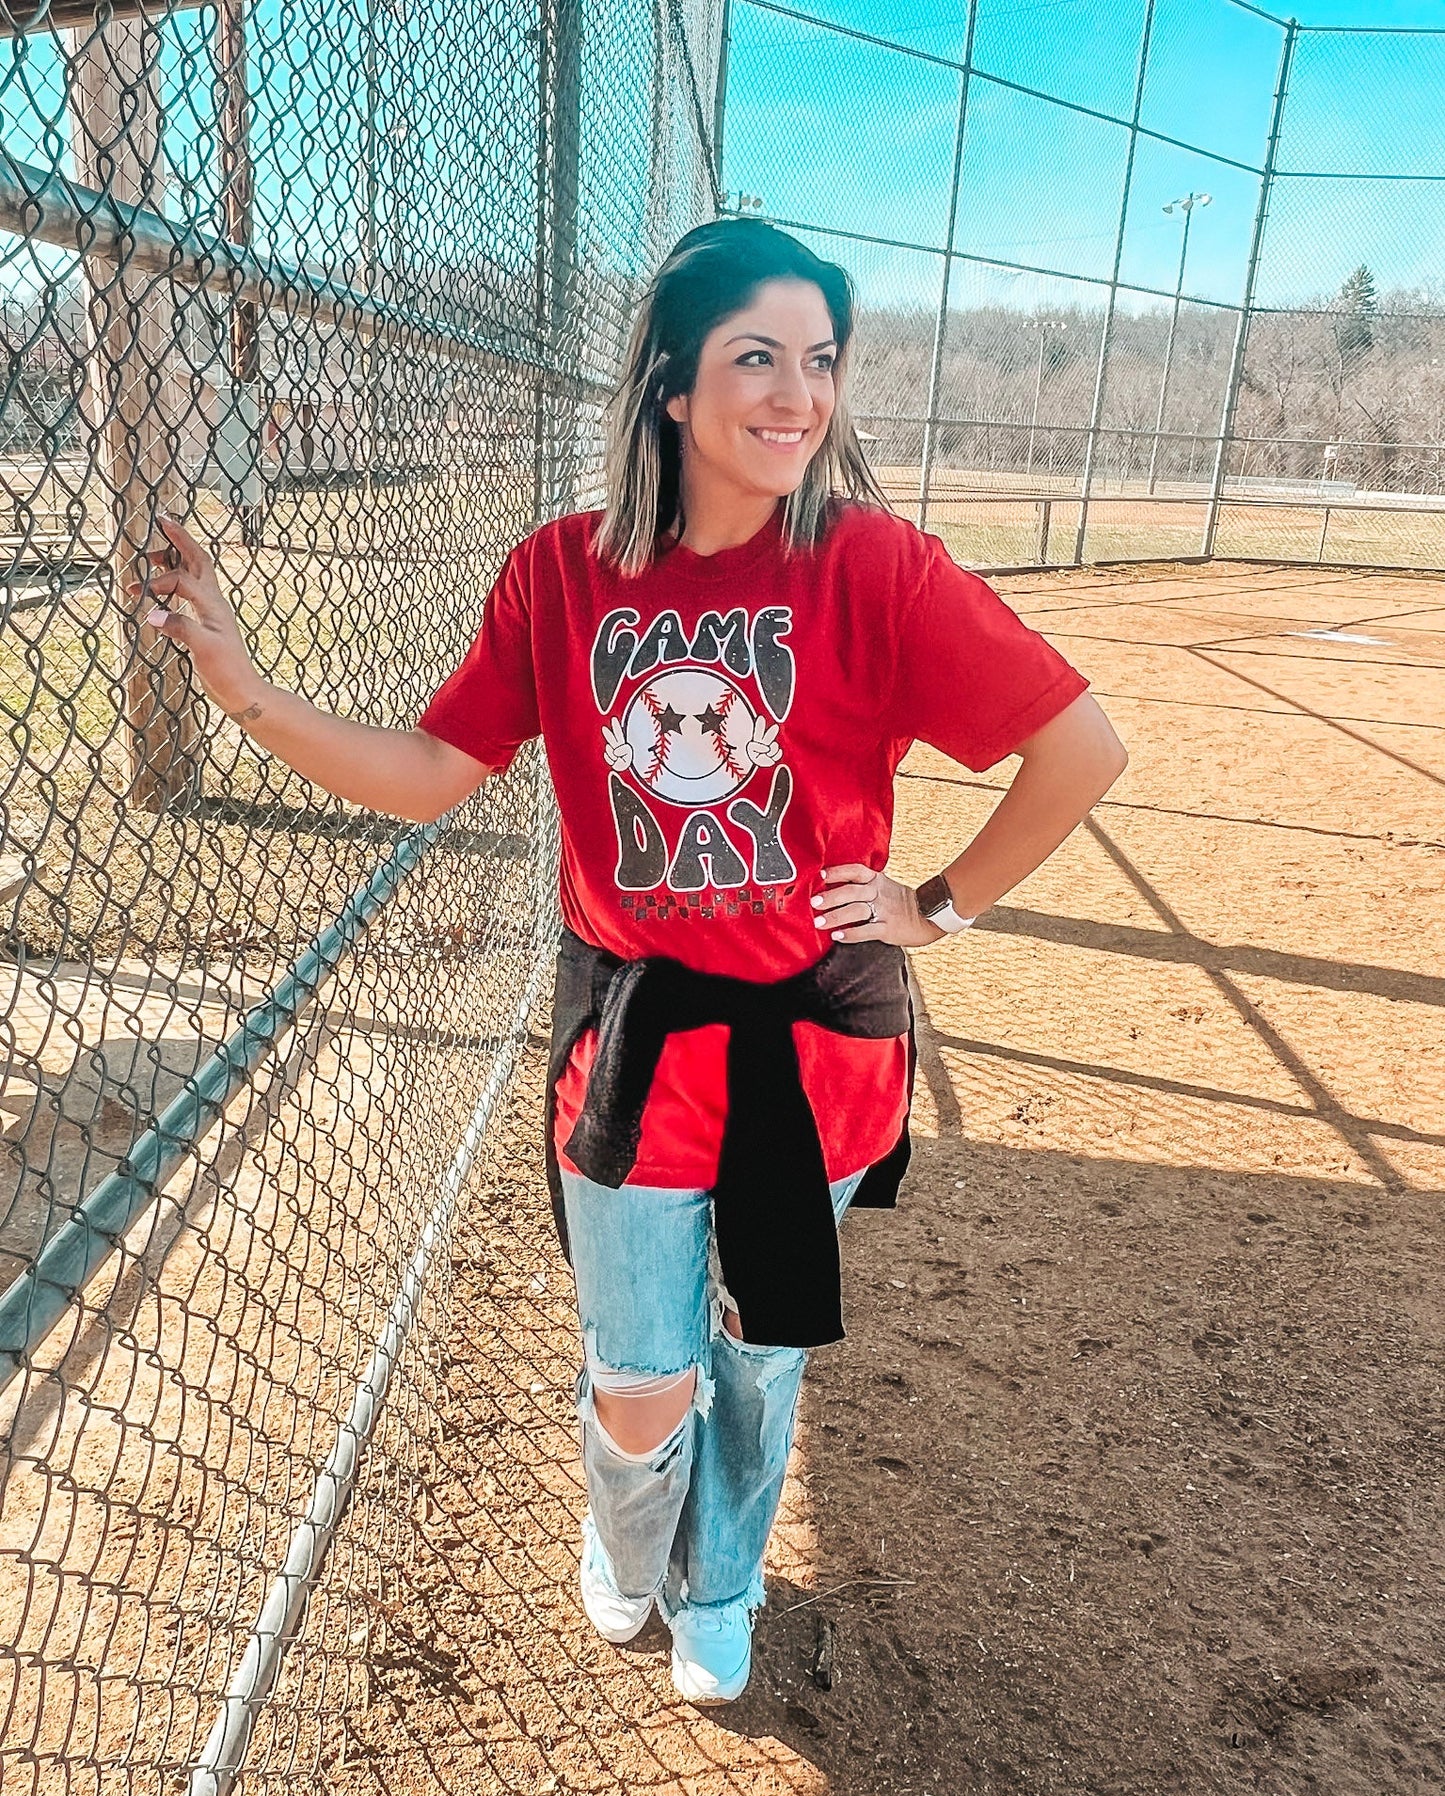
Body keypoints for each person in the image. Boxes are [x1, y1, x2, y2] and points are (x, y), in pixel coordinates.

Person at [138, 219, 1127, 1706]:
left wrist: (939, 905)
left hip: (816, 1045)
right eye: (755, 359)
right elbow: (430, 767)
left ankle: (719, 1585)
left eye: (820, 362)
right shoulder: (560, 576)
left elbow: (1078, 748)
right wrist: (249, 691)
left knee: (758, 1352)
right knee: (638, 1369)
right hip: (640, 1039)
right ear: (671, 383)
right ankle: (629, 1539)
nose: (796, 396)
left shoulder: (876, 567)